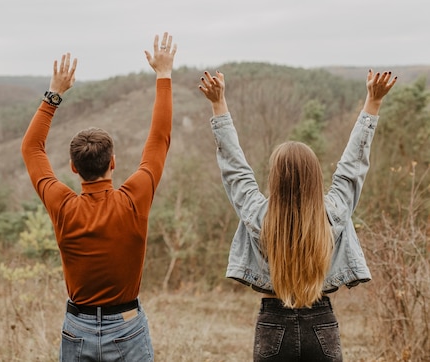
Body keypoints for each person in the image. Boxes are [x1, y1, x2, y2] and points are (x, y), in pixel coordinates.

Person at [198, 67, 396, 362]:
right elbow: (353, 165)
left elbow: (235, 169)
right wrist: (373, 102)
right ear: (316, 178)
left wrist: (218, 104)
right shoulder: (333, 213)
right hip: (321, 325)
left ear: (275, 179)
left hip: (273, 325)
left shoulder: (258, 215)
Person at [20, 33, 177, 362]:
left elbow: (31, 148)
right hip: (127, 326)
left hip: (78, 328)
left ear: (73, 168)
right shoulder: (134, 199)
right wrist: (163, 75)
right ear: (113, 162)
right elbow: (159, 139)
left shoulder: (63, 206)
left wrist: (54, 94)